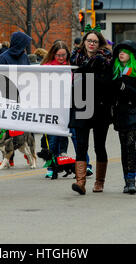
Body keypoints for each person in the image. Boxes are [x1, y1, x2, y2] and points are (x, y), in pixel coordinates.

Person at [69, 28, 112, 195]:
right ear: (84, 42)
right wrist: (87, 71)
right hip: (81, 103)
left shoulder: (106, 59)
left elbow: (107, 81)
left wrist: (89, 73)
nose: (92, 44)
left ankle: (99, 182)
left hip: (101, 106)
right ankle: (80, 182)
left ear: (99, 43)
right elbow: (76, 76)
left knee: (99, 146)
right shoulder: (76, 57)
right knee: (81, 145)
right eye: (89, 41)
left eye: (95, 41)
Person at [111, 40, 136, 194]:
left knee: (130, 144)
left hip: (135, 112)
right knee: (123, 146)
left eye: (125, 51)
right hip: (120, 113)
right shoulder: (115, 72)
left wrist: (126, 87)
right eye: (119, 51)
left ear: (131, 54)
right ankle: (126, 180)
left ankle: (132, 181)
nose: (121, 53)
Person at [0, 31, 32, 167]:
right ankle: (8, 157)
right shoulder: (3, 57)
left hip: (23, 97)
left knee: (25, 128)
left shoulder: (24, 56)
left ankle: (29, 154)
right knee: (7, 131)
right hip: (7, 98)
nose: (26, 47)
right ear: (18, 43)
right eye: (24, 44)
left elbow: (30, 74)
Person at [40, 40, 71, 177]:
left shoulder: (70, 65)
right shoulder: (46, 66)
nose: (61, 58)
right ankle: (51, 166)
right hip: (51, 107)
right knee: (52, 138)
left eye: (63, 55)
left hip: (66, 106)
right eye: (58, 55)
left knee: (63, 136)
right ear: (53, 54)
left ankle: (61, 162)